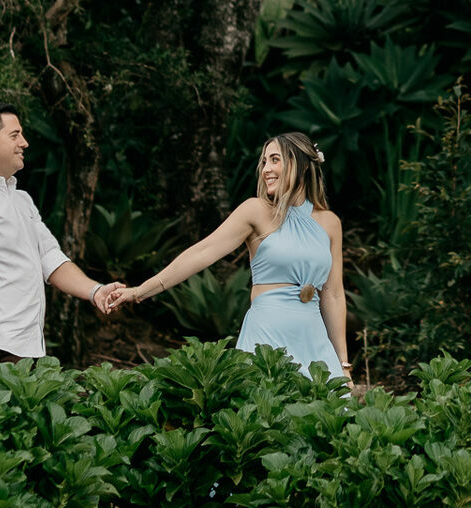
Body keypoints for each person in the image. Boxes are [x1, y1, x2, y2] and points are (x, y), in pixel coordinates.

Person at [112, 132, 349, 382]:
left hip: (314, 340)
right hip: (268, 337)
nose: (266, 169)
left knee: (331, 413)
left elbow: (333, 295)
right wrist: (140, 291)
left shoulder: (330, 223)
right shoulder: (256, 211)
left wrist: (343, 364)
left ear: (300, 165)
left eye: (275, 160)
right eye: (264, 162)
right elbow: (202, 252)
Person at [0, 100, 123, 377]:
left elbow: (51, 259)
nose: (24, 143)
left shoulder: (21, 199)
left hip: (29, 349)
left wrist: (95, 291)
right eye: (15, 135)